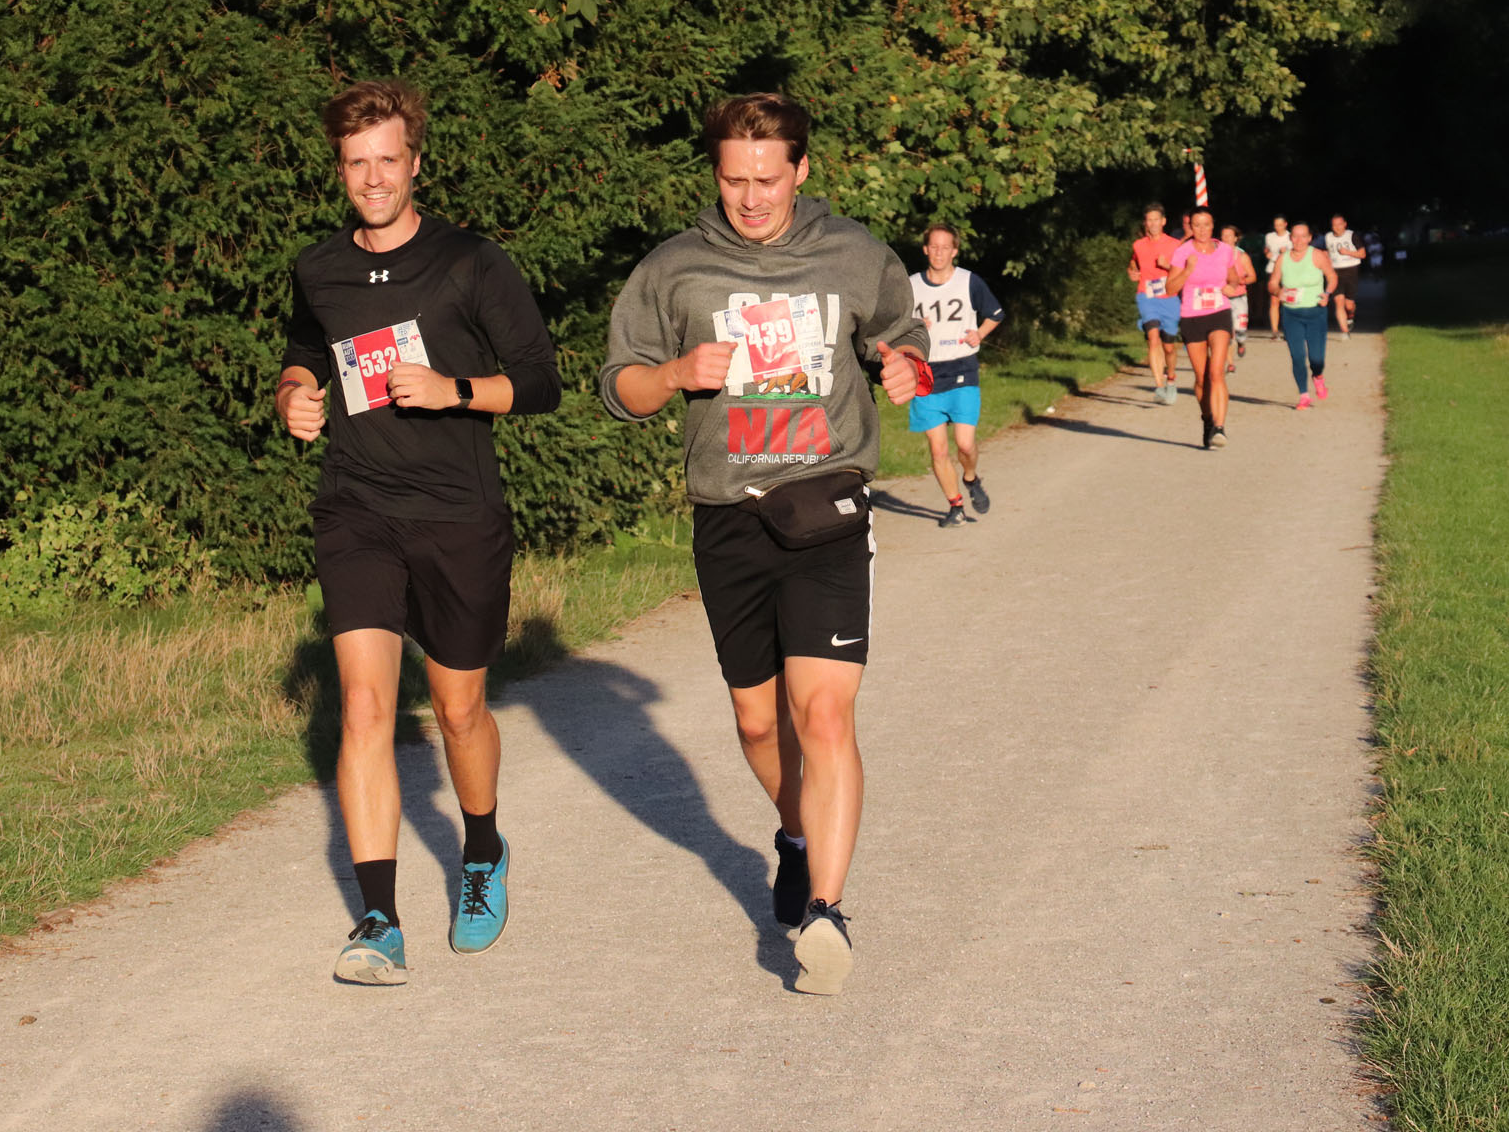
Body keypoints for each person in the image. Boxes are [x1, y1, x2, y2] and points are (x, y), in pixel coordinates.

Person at [601, 93, 926, 995]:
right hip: (727, 516)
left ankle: (826, 911)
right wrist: (673, 373)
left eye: (767, 180)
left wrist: (905, 365)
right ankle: (795, 835)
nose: (750, 198)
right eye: (734, 180)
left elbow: (903, 337)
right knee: (757, 721)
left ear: (801, 171)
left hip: (826, 506)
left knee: (824, 716)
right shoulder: (675, 268)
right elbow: (620, 388)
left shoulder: (853, 253)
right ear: (716, 174)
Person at [276, 79, 562, 985]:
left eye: (387, 160)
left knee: (457, 709)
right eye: (356, 163)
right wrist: (293, 394)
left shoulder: (471, 262)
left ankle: (482, 850)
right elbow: (305, 350)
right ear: (340, 169)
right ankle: (379, 920)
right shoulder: (318, 268)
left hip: (457, 515)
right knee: (365, 706)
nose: (373, 178)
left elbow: (541, 380)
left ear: (415, 164)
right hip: (357, 508)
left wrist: (453, 391)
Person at [909, 223, 1004, 526]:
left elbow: (995, 314)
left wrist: (980, 334)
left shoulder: (968, 281)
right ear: (925, 249)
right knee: (938, 449)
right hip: (926, 374)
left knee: (964, 444)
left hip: (962, 369)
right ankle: (956, 506)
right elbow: (895, 326)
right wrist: (913, 328)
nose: (939, 253)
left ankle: (971, 478)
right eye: (934, 247)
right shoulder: (911, 286)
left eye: (945, 247)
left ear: (954, 251)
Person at [1166, 206, 1237, 449]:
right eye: (1197, 225)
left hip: (1219, 313)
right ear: (1190, 227)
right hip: (1192, 317)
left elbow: (1234, 277)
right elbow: (1170, 288)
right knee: (1202, 378)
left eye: (1206, 224)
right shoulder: (1183, 252)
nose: (1202, 230)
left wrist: (1231, 286)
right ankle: (1207, 419)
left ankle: (1220, 427)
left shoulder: (1224, 250)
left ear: (1212, 226)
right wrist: (1188, 270)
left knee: (1217, 372)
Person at [1268, 222, 1339, 409]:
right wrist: (1278, 291)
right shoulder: (1283, 258)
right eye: (1295, 236)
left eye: (1303, 236)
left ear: (1309, 238)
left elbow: (1332, 277)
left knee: (1317, 359)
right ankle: (1304, 395)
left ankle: (1318, 375)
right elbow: (1272, 283)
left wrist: (1327, 293)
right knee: (1297, 356)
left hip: (1316, 313)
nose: (1299, 240)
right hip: (1291, 314)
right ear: (1290, 238)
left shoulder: (1317, 255)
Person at [1127, 203, 1182, 405]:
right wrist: (1131, 271)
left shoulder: (1174, 244)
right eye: (1149, 220)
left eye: (1156, 220)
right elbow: (1133, 262)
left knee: (1169, 347)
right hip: (1146, 295)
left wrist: (1168, 266)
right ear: (1145, 223)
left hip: (1169, 297)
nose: (1153, 224)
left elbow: (1184, 270)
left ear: (1163, 221)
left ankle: (1171, 379)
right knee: (1153, 338)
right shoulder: (1138, 245)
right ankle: (1159, 387)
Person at [1218, 224, 1258, 372]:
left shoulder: (1242, 256)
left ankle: (1241, 342)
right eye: (1223, 235)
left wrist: (1241, 280)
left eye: (1229, 235)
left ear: (1236, 238)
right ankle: (1230, 363)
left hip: (1239, 297)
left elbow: (1253, 277)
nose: (1226, 238)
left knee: (1240, 329)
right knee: (1227, 332)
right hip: (1222, 297)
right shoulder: (1215, 254)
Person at [1325, 213, 1367, 339]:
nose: (1337, 227)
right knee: (1339, 302)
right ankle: (1344, 332)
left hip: (1351, 270)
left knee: (1349, 305)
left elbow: (1363, 254)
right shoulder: (1328, 237)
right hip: (1335, 271)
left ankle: (1350, 316)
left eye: (1339, 224)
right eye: (1334, 225)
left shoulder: (1352, 235)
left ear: (1344, 224)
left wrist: (1347, 252)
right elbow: (1328, 252)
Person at [1263, 215, 1290, 339]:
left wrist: (1287, 253)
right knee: (1274, 300)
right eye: (1276, 225)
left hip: (1287, 270)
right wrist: (1267, 253)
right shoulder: (1269, 236)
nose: (1278, 227)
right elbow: (1267, 249)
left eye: (1280, 224)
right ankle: (1275, 331)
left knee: (1287, 300)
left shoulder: (1291, 236)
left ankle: (1288, 330)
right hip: (1272, 269)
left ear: (1285, 224)